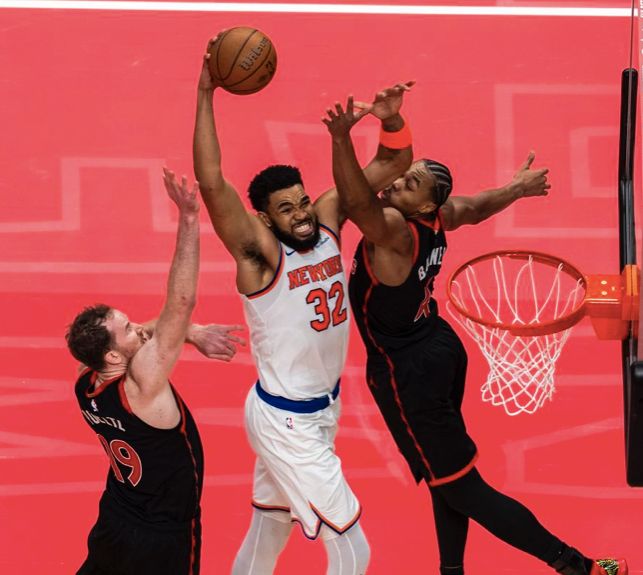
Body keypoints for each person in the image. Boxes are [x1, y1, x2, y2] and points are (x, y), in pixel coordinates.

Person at [322, 99, 628, 575]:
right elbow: (478, 207)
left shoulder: (395, 231)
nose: (397, 182)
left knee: (464, 488)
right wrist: (517, 188)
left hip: (407, 373)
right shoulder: (441, 215)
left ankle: (579, 567)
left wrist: (341, 138)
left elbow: (358, 203)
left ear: (425, 205)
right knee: (447, 476)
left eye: (410, 183)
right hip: (440, 347)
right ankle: (452, 571)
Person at [193, 34, 413, 574]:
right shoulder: (261, 255)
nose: (300, 215)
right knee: (353, 548)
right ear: (264, 218)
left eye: (301, 201)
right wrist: (206, 93)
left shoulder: (328, 216)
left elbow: (394, 160)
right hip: (287, 421)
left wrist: (390, 119)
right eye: (286, 210)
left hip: (317, 410)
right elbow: (212, 183)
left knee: (269, 530)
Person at [66, 169, 245, 575]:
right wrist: (189, 217)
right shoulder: (143, 386)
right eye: (128, 329)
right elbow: (179, 304)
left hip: (115, 516)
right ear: (114, 357)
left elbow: (157, 331)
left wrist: (190, 334)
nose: (139, 329)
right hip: (163, 535)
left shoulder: (85, 378)